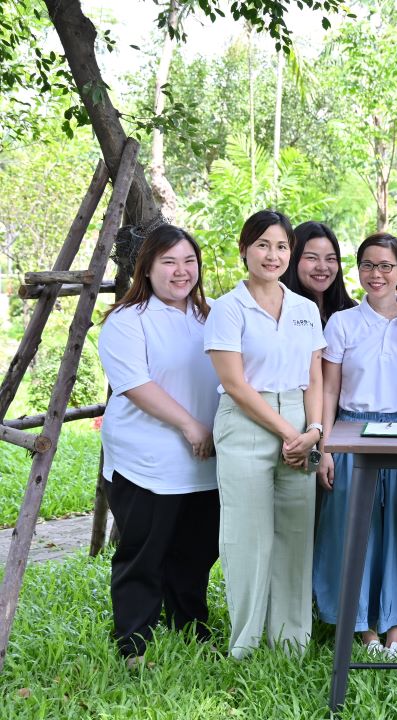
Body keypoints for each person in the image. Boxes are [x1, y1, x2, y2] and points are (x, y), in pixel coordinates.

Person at [204, 209, 326, 659]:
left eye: (281, 246)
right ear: (244, 250)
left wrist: (313, 431)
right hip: (246, 421)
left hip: (300, 420)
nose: (272, 255)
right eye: (262, 245)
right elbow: (235, 384)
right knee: (248, 538)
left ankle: (291, 642)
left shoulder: (305, 309)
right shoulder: (228, 308)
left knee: (297, 534)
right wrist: (290, 434)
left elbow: (314, 375)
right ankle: (246, 644)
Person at [98, 224, 220, 668]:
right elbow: (135, 385)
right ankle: (134, 642)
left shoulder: (211, 315)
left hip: (205, 462)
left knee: (196, 553)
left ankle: (191, 628)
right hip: (146, 460)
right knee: (143, 553)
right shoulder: (128, 320)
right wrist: (189, 425)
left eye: (189, 261)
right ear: (146, 268)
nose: (180, 271)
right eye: (168, 261)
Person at [312, 232, 397, 660]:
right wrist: (326, 447)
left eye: (386, 266)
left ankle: (396, 633)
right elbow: (329, 390)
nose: (376, 274)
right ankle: (364, 629)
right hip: (352, 432)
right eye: (367, 265)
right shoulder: (342, 323)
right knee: (353, 532)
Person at [282, 221, 357, 325]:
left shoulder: (351, 310)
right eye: (312, 258)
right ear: (292, 259)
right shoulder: (279, 312)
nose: (322, 267)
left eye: (330, 258)